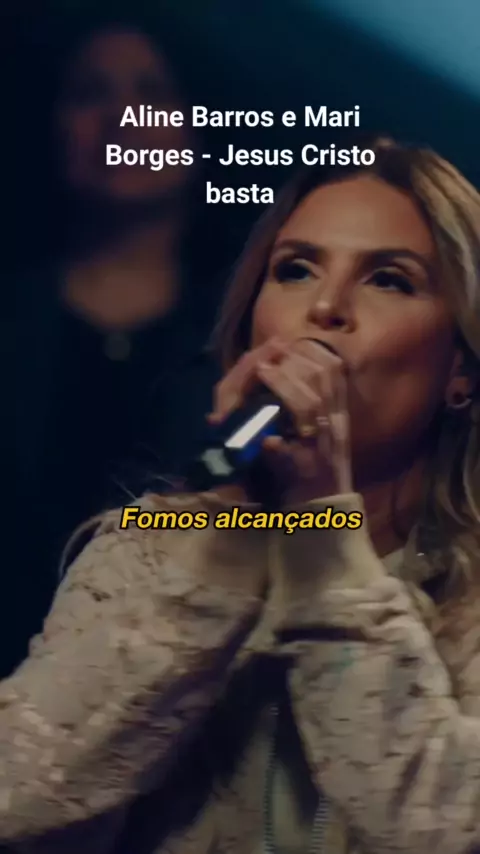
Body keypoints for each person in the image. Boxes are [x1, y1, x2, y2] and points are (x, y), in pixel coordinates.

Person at [2, 138, 479, 854]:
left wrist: (324, 539)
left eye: (388, 279)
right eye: (295, 270)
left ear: (461, 371)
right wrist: (220, 549)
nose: (325, 307)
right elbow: (20, 796)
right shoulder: (148, 550)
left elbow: (444, 825)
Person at [11, 11, 225, 679]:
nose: (122, 117)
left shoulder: (242, 349)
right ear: (54, 127)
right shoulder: (14, 314)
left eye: (151, 92)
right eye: (90, 92)